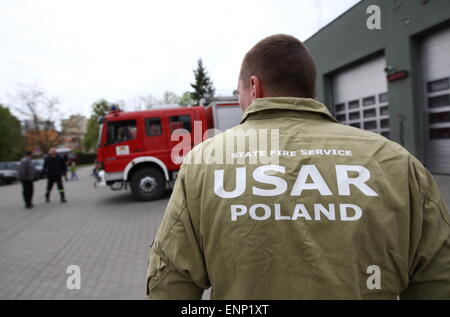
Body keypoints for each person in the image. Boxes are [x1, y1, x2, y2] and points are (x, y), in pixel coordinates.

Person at [146, 34, 450, 299]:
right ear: (308, 87)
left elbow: (170, 282)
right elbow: (438, 278)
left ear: (254, 87)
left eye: (239, 93)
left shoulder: (202, 164)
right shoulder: (395, 162)